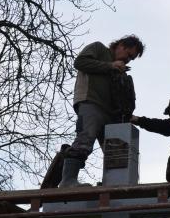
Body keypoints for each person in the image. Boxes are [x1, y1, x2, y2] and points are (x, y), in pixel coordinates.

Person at [44, 35, 145, 189]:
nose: (128, 60)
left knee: (115, 149)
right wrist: (110, 66)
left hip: (110, 113)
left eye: (132, 58)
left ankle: (114, 183)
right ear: (121, 45)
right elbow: (80, 62)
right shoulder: (98, 48)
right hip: (91, 102)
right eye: (128, 54)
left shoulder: (119, 68)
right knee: (85, 138)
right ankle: (68, 180)